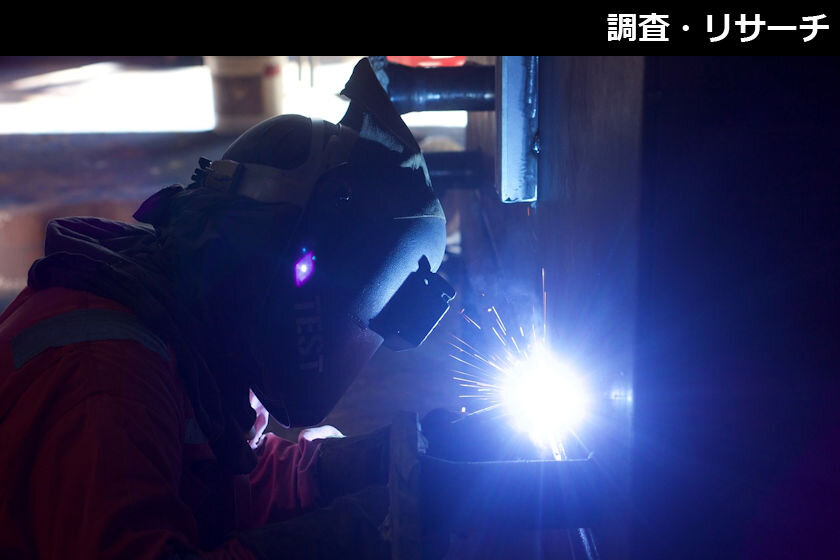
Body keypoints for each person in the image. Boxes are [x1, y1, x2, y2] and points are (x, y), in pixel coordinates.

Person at [0, 59, 453, 559]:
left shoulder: (184, 329)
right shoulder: (109, 381)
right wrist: (356, 537)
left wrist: (351, 465)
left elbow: (218, 481)